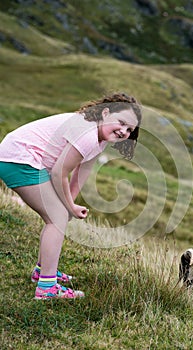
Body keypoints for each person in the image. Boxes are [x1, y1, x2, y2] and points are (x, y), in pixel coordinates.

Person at [0, 92, 142, 299]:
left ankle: (42, 271)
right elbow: (59, 172)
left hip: (25, 160)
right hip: (19, 159)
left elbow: (81, 171)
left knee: (59, 215)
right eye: (121, 123)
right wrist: (67, 207)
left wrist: (70, 205)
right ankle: (47, 288)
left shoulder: (98, 139)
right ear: (105, 113)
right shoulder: (87, 134)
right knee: (56, 218)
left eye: (130, 129)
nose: (123, 131)